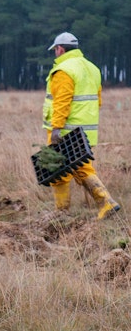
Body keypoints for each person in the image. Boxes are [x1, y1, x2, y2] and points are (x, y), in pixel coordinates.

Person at [42, 32, 120, 219]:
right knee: (81, 167)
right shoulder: (92, 68)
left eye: (55, 51)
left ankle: (62, 212)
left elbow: (62, 102)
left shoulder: (64, 70)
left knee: (57, 169)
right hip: (86, 132)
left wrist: (57, 128)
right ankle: (104, 203)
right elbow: (97, 101)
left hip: (66, 131)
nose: (55, 54)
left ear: (60, 49)